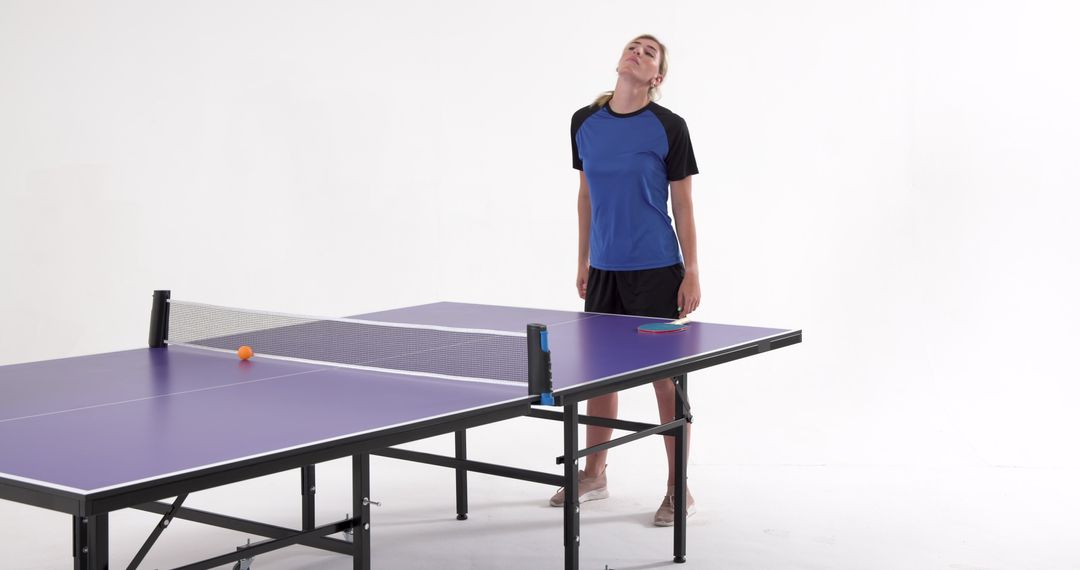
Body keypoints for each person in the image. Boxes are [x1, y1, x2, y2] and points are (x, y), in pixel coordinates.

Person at [549, 34, 701, 527]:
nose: (637, 51)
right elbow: (585, 196)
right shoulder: (583, 123)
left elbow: (683, 203)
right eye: (633, 46)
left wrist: (692, 269)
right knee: (600, 376)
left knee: (664, 383)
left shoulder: (669, 127)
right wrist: (583, 260)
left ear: (657, 78)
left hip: (657, 270)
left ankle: (679, 489)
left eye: (649, 51)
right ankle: (595, 474)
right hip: (605, 271)